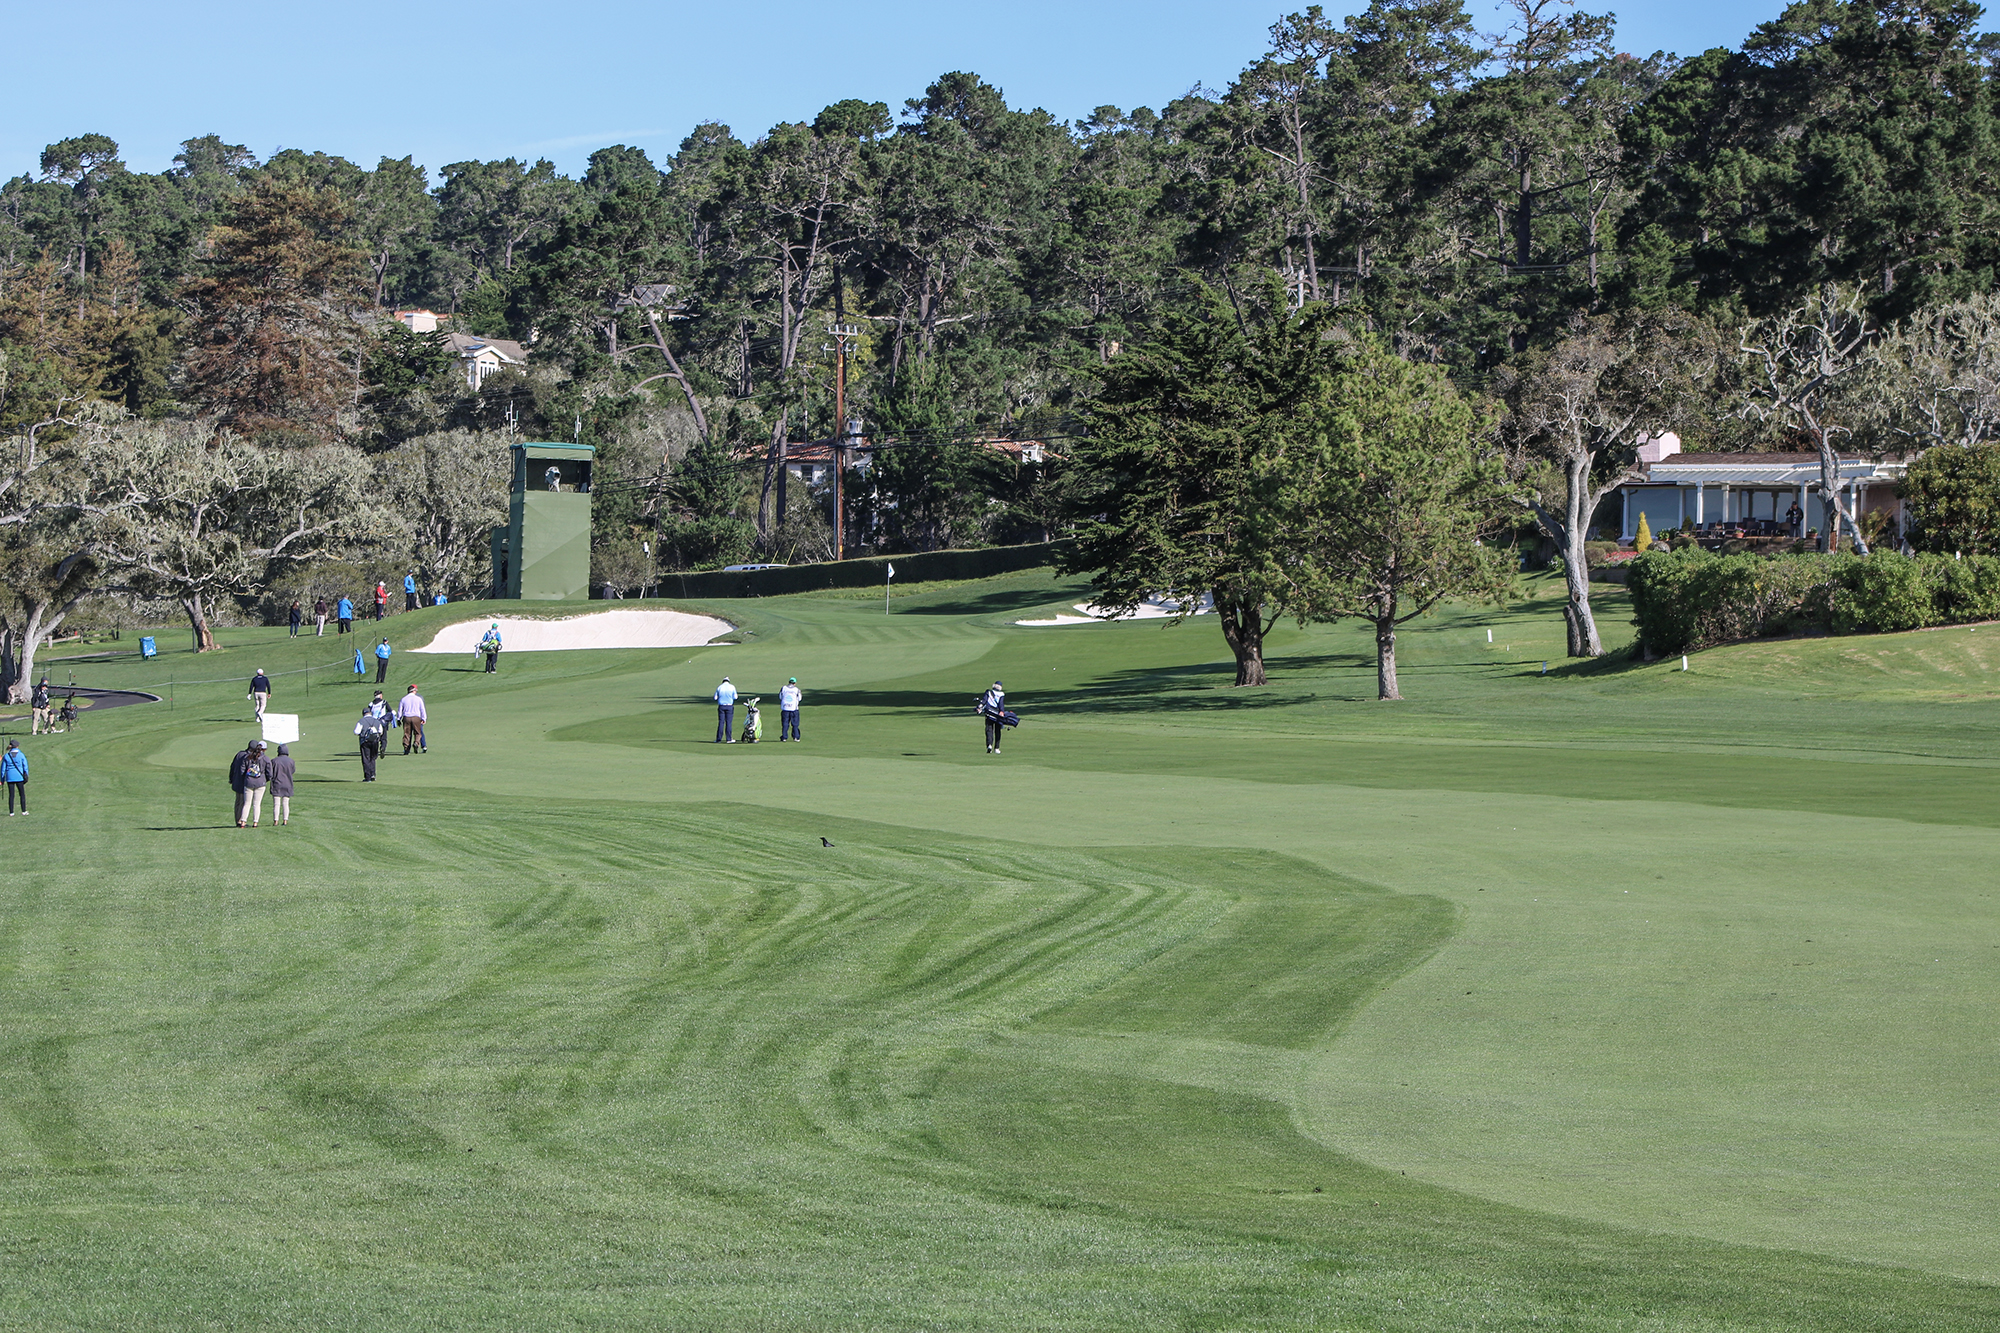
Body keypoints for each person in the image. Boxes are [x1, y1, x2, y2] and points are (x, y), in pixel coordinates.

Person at [238, 740, 270, 827]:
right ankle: (255, 822)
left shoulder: (247, 758)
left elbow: (242, 771)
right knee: (257, 804)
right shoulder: (265, 759)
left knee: (247, 803)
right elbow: (269, 773)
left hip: (249, 782)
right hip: (260, 782)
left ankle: (243, 821)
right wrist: (265, 779)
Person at [354, 702, 387, 781]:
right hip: (375, 741)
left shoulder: (361, 721)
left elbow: (356, 732)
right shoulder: (376, 721)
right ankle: (373, 774)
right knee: (373, 758)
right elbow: (380, 731)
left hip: (365, 742)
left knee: (366, 759)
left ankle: (367, 777)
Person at [268, 743, 295, 825]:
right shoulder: (291, 761)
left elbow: (271, 772)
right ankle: (285, 820)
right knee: (285, 803)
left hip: (277, 783)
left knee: (276, 804)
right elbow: (293, 771)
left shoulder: (274, 761)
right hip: (288, 784)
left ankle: (276, 821)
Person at [397, 683, 427, 754]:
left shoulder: (403, 699)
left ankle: (406, 748)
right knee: (418, 733)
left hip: (406, 717)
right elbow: (422, 709)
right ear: (414, 691)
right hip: (416, 717)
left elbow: (400, 710)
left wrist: (398, 718)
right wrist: (424, 718)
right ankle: (416, 743)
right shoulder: (418, 699)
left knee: (407, 733)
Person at [979, 680, 1005, 754]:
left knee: (989, 730)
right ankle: (996, 748)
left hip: (989, 713)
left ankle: (989, 745)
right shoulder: (1001, 694)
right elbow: (1001, 704)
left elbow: (984, 701)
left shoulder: (988, 692)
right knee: (998, 731)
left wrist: (979, 707)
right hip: (997, 714)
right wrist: (1002, 711)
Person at [2, 739, 26, 815]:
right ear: (17, 746)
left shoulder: (6, 756)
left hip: (10, 777)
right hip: (19, 777)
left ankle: (11, 812)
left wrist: (2, 779)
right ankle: (23, 811)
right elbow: (25, 766)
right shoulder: (21, 755)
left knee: (11, 795)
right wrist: (26, 775)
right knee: (22, 794)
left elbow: (3, 769)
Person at [714, 676, 737, 743]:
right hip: (729, 706)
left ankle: (718, 739)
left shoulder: (719, 687)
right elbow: (735, 697)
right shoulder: (732, 687)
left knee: (721, 722)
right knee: (728, 723)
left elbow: (715, 697)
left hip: (721, 706)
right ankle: (729, 739)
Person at [778, 677, 802, 742]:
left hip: (785, 708)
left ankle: (784, 737)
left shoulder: (783, 688)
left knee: (785, 724)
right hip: (794, 709)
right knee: (795, 724)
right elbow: (799, 698)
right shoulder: (797, 690)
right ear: (795, 683)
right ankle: (796, 737)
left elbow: (780, 697)